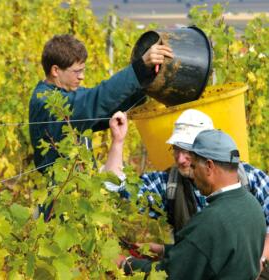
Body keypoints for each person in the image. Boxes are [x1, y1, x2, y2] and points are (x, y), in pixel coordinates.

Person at [105, 109, 269, 277]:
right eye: (176, 149)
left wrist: (125, 264)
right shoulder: (171, 183)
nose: (181, 159)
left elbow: (173, 274)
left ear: (209, 162)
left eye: (189, 153)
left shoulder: (251, 180)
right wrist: (118, 142)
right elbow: (117, 187)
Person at [29, 34, 173, 173]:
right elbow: (96, 100)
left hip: (82, 187)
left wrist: (145, 83)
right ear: (55, 70)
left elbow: (105, 109)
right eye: (77, 71)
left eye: (83, 70)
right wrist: (139, 69)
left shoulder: (66, 94)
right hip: (60, 192)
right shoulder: (46, 102)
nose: (82, 77)